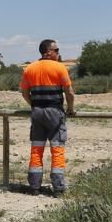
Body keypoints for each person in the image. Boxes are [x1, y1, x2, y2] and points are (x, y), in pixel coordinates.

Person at [19, 39, 75, 196]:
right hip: (55, 112)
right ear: (48, 52)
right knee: (57, 150)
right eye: (56, 50)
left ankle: (35, 187)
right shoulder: (60, 68)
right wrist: (70, 109)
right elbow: (69, 92)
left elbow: (24, 92)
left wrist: (34, 105)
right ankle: (58, 188)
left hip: (37, 112)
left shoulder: (29, 68)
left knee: (36, 149)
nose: (58, 53)